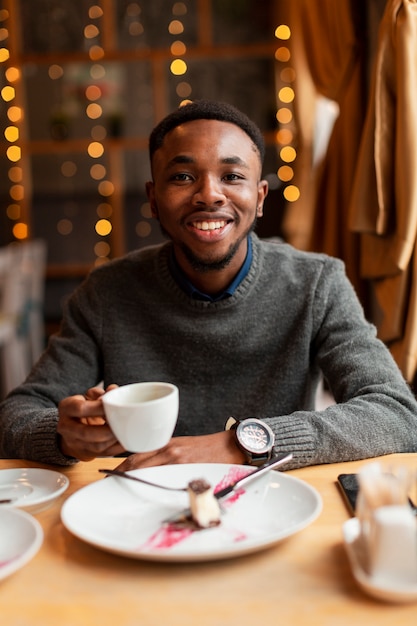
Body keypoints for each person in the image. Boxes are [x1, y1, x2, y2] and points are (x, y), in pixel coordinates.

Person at [1, 99, 417, 471]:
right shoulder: (106, 293)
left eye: (232, 176)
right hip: (137, 509)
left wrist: (242, 444)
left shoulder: (317, 282)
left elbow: (396, 413)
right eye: (182, 177)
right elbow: (15, 414)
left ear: (260, 197)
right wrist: (61, 433)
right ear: (153, 197)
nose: (209, 195)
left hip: (271, 503)